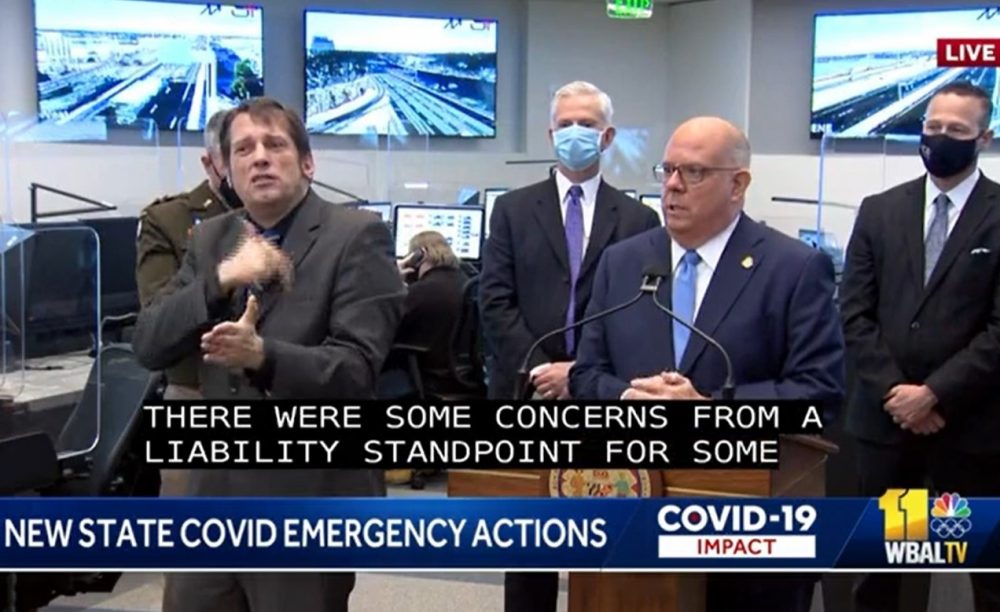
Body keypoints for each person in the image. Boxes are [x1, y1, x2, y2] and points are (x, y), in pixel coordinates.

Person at [131, 97, 405, 612]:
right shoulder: (212, 239)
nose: (259, 157)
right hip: (213, 496)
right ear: (228, 172)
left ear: (307, 163)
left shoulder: (357, 235)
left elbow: (355, 370)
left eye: (274, 144)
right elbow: (148, 344)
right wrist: (219, 280)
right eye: (243, 149)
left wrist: (263, 356)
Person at [569, 116, 844, 612]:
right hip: (632, 528)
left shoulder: (794, 268)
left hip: (751, 533)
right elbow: (586, 374)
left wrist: (711, 409)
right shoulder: (622, 263)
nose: (673, 185)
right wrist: (628, 397)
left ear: (738, 184)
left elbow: (818, 393)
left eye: (693, 172)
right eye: (667, 170)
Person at [478, 80, 660, 612]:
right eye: (565, 125)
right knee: (528, 545)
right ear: (549, 134)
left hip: (603, 393)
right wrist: (543, 371)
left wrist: (578, 373)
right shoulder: (512, 210)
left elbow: (639, 314)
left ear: (608, 137)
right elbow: (495, 302)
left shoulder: (639, 220)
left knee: (603, 539)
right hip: (526, 392)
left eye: (587, 124)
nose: (574, 133)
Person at [841, 81, 1000, 612]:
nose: (939, 137)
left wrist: (933, 394)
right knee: (882, 568)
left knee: (985, 574)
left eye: (956, 129)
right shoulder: (880, 210)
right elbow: (854, 313)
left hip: (969, 432)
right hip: (889, 431)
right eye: (932, 127)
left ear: (983, 139)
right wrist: (897, 394)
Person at [135, 109, 241, 498]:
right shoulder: (169, 219)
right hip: (197, 393)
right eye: (237, 153)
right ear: (210, 162)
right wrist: (223, 279)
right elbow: (159, 322)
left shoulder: (286, 215)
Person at [394, 230, 477, 399]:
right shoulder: (470, 284)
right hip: (470, 379)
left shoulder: (419, 293)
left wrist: (394, 281)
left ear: (420, 255)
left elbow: (387, 329)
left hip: (432, 379)